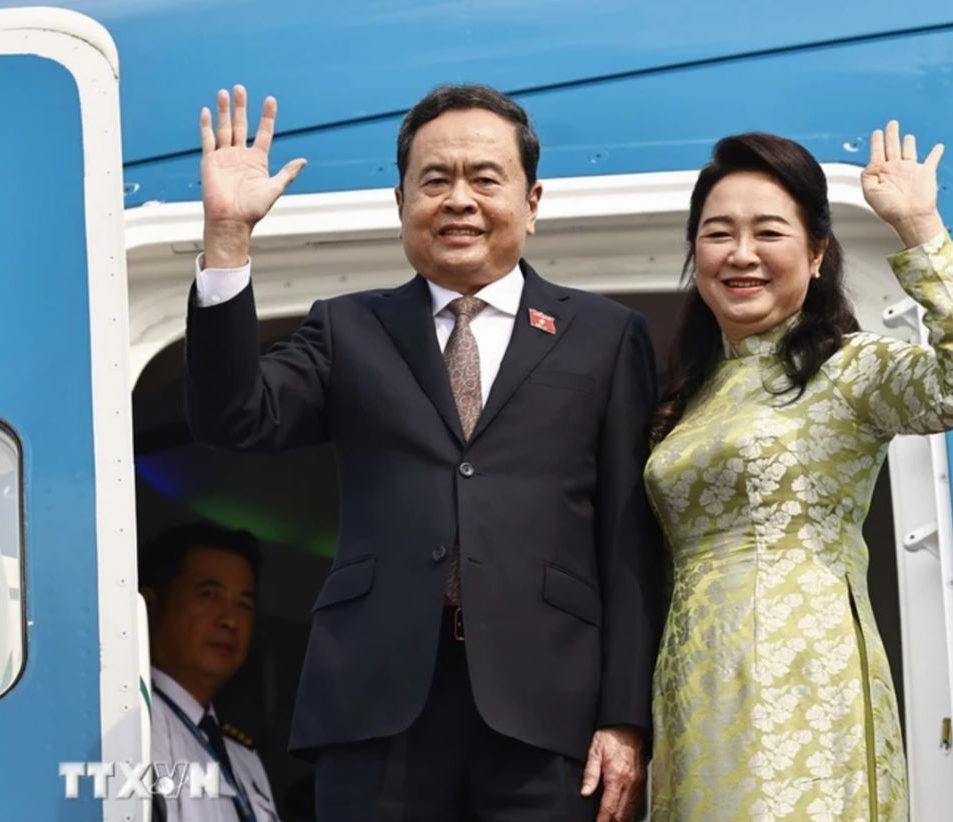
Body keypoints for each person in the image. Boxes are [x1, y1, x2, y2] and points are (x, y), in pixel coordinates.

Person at [184, 84, 662, 821]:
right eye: (435, 180)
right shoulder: (348, 329)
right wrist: (227, 239)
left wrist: (626, 718)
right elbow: (235, 418)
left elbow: (628, 538)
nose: (458, 199)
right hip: (377, 711)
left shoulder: (604, 334)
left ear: (532, 202)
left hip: (549, 714)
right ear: (401, 201)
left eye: (484, 178)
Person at [644, 122, 953, 820]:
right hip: (691, 671)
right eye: (719, 233)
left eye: (769, 232)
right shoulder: (692, 393)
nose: (742, 254)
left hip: (799, 669)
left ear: (816, 255)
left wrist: (918, 228)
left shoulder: (848, 368)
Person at [140, 523, 280, 821]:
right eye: (209, 595)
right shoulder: (132, 723)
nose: (230, 620)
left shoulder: (243, 757)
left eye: (244, 604)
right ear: (150, 606)